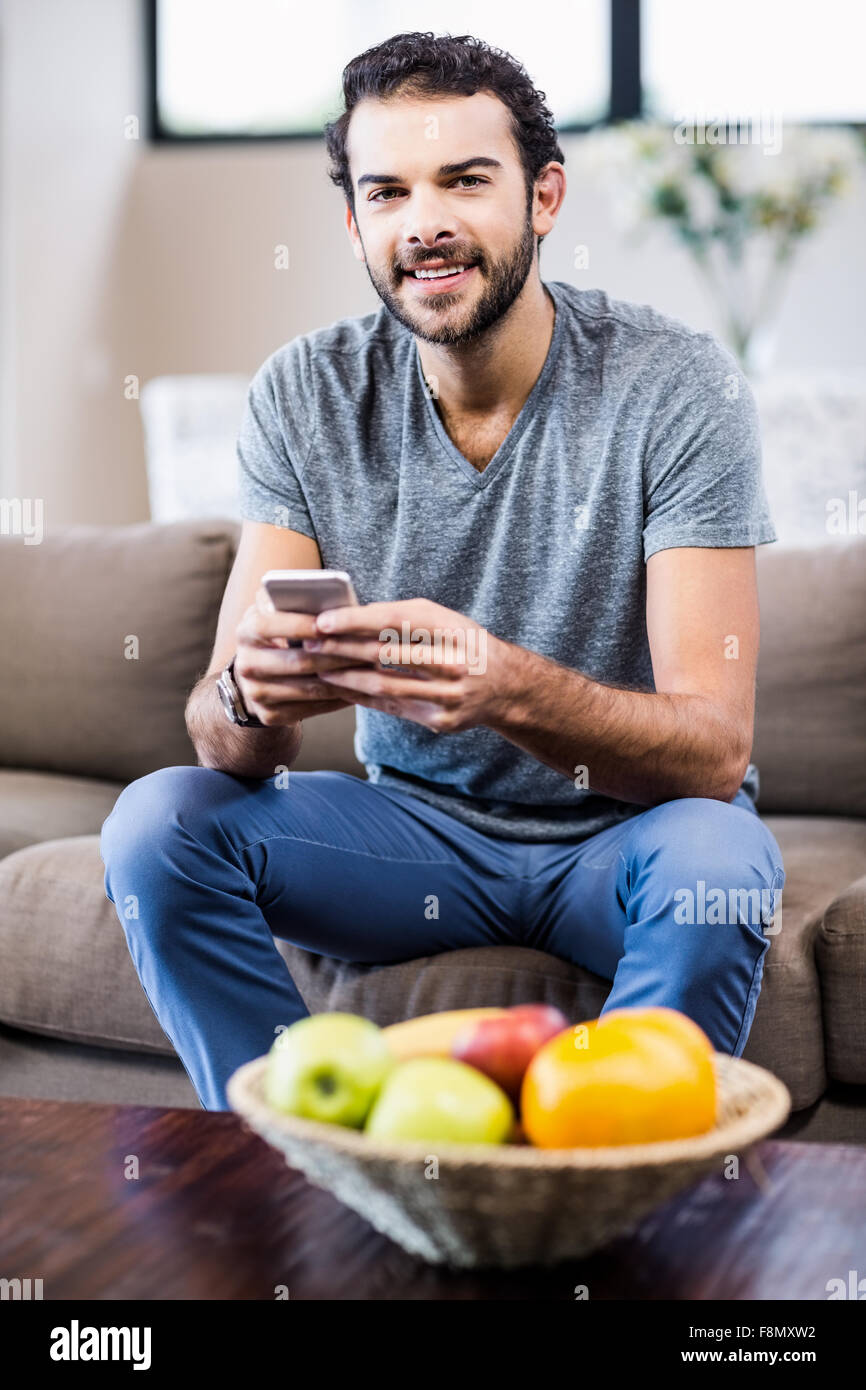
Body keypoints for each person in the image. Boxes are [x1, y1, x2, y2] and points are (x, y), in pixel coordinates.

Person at [101, 32, 784, 1111]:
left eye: (465, 180)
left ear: (543, 195)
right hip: (413, 836)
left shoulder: (674, 384)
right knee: (157, 825)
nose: (423, 222)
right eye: (387, 192)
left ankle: (615, 1182)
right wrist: (249, 693)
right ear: (355, 223)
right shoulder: (306, 393)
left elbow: (712, 751)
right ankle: (298, 1155)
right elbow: (223, 736)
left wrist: (507, 688)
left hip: (627, 840)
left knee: (717, 866)